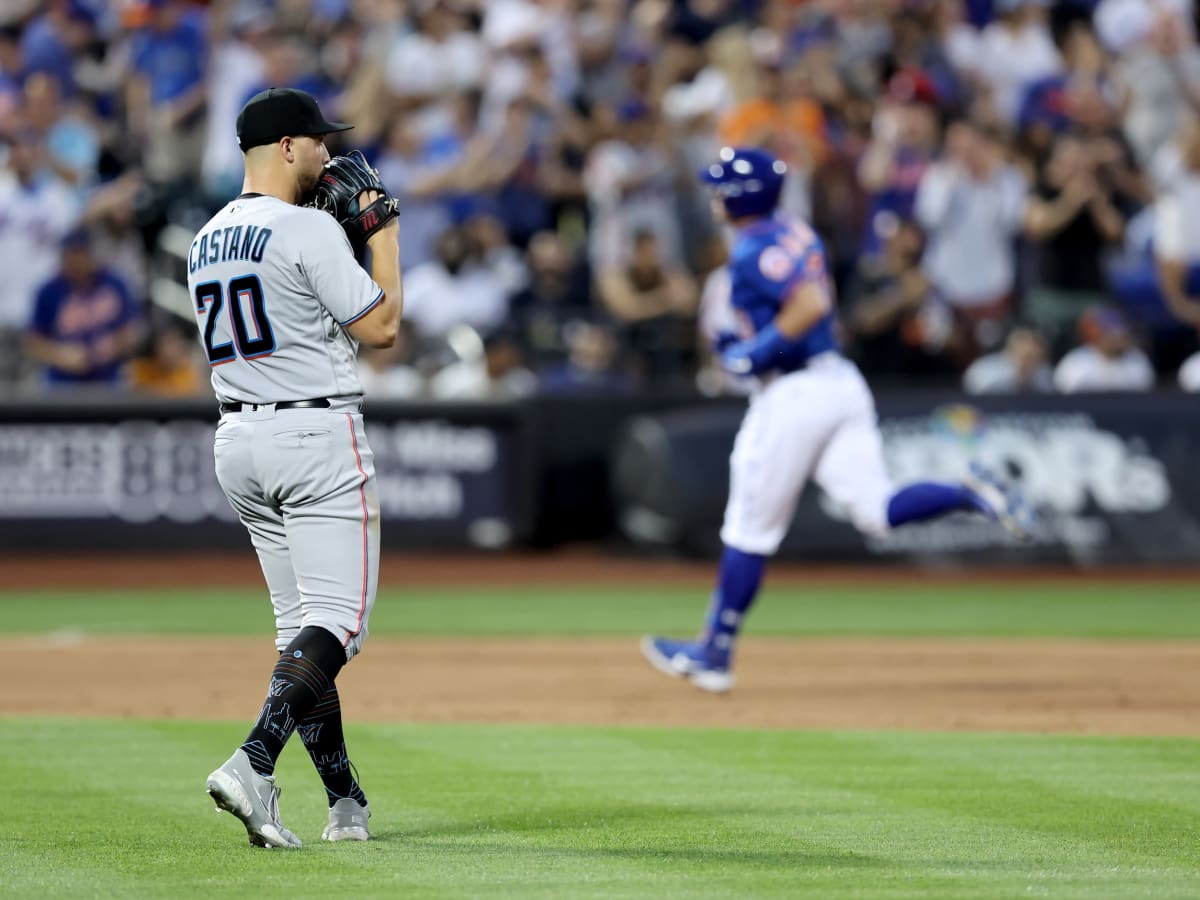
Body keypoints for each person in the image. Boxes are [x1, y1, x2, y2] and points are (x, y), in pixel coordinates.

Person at [641, 147, 1034, 694]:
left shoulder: (753, 247)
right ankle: (969, 493)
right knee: (875, 509)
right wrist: (751, 343)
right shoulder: (793, 230)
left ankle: (713, 652)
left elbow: (808, 305)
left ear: (741, 196)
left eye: (721, 188)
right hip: (840, 384)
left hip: (795, 392)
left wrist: (756, 351)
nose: (714, 197)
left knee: (748, 529)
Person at [190, 88, 403, 848]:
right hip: (313, 432)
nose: (326, 155)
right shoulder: (308, 226)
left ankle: (345, 803)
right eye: (316, 142)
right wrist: (382, 231)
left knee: (300, 635)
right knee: (339, 625)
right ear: (285, 147)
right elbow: (382, 327)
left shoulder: (205, 236)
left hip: (239, 439)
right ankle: (253, 761)